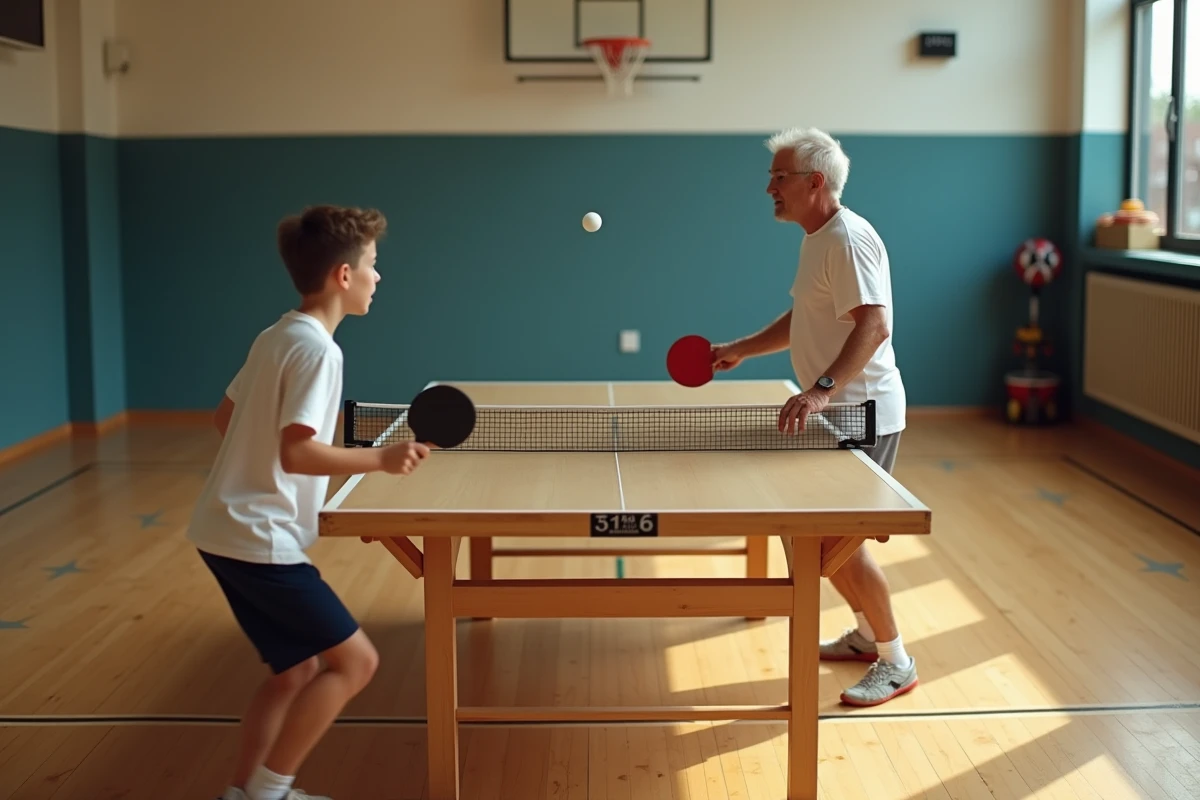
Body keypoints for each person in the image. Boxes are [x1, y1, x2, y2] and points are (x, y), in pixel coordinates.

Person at [186, 205, 431, 800]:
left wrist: (258, 469)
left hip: (221, 530)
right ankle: (270, 791)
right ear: (344, 275)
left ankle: (242, 792)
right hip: (258, 539)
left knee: (294, 671)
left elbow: (226, 418)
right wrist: (381, 459)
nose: (378, 275)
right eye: (373, 263)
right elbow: (297, 452)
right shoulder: (321, 351)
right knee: (357, 664)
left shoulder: (277, 334)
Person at [711, 127, 918, 707]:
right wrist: (741, 348)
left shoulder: (847, 239)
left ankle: (896, 662)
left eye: (780, 177)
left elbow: (874, 325)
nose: (769, 188)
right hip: (837, 412)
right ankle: (868, 636)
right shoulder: (818, 237)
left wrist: (822, 390)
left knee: (835, 543)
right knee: (826, 541)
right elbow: (805, 315)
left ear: (815, 182)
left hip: (862, 413)